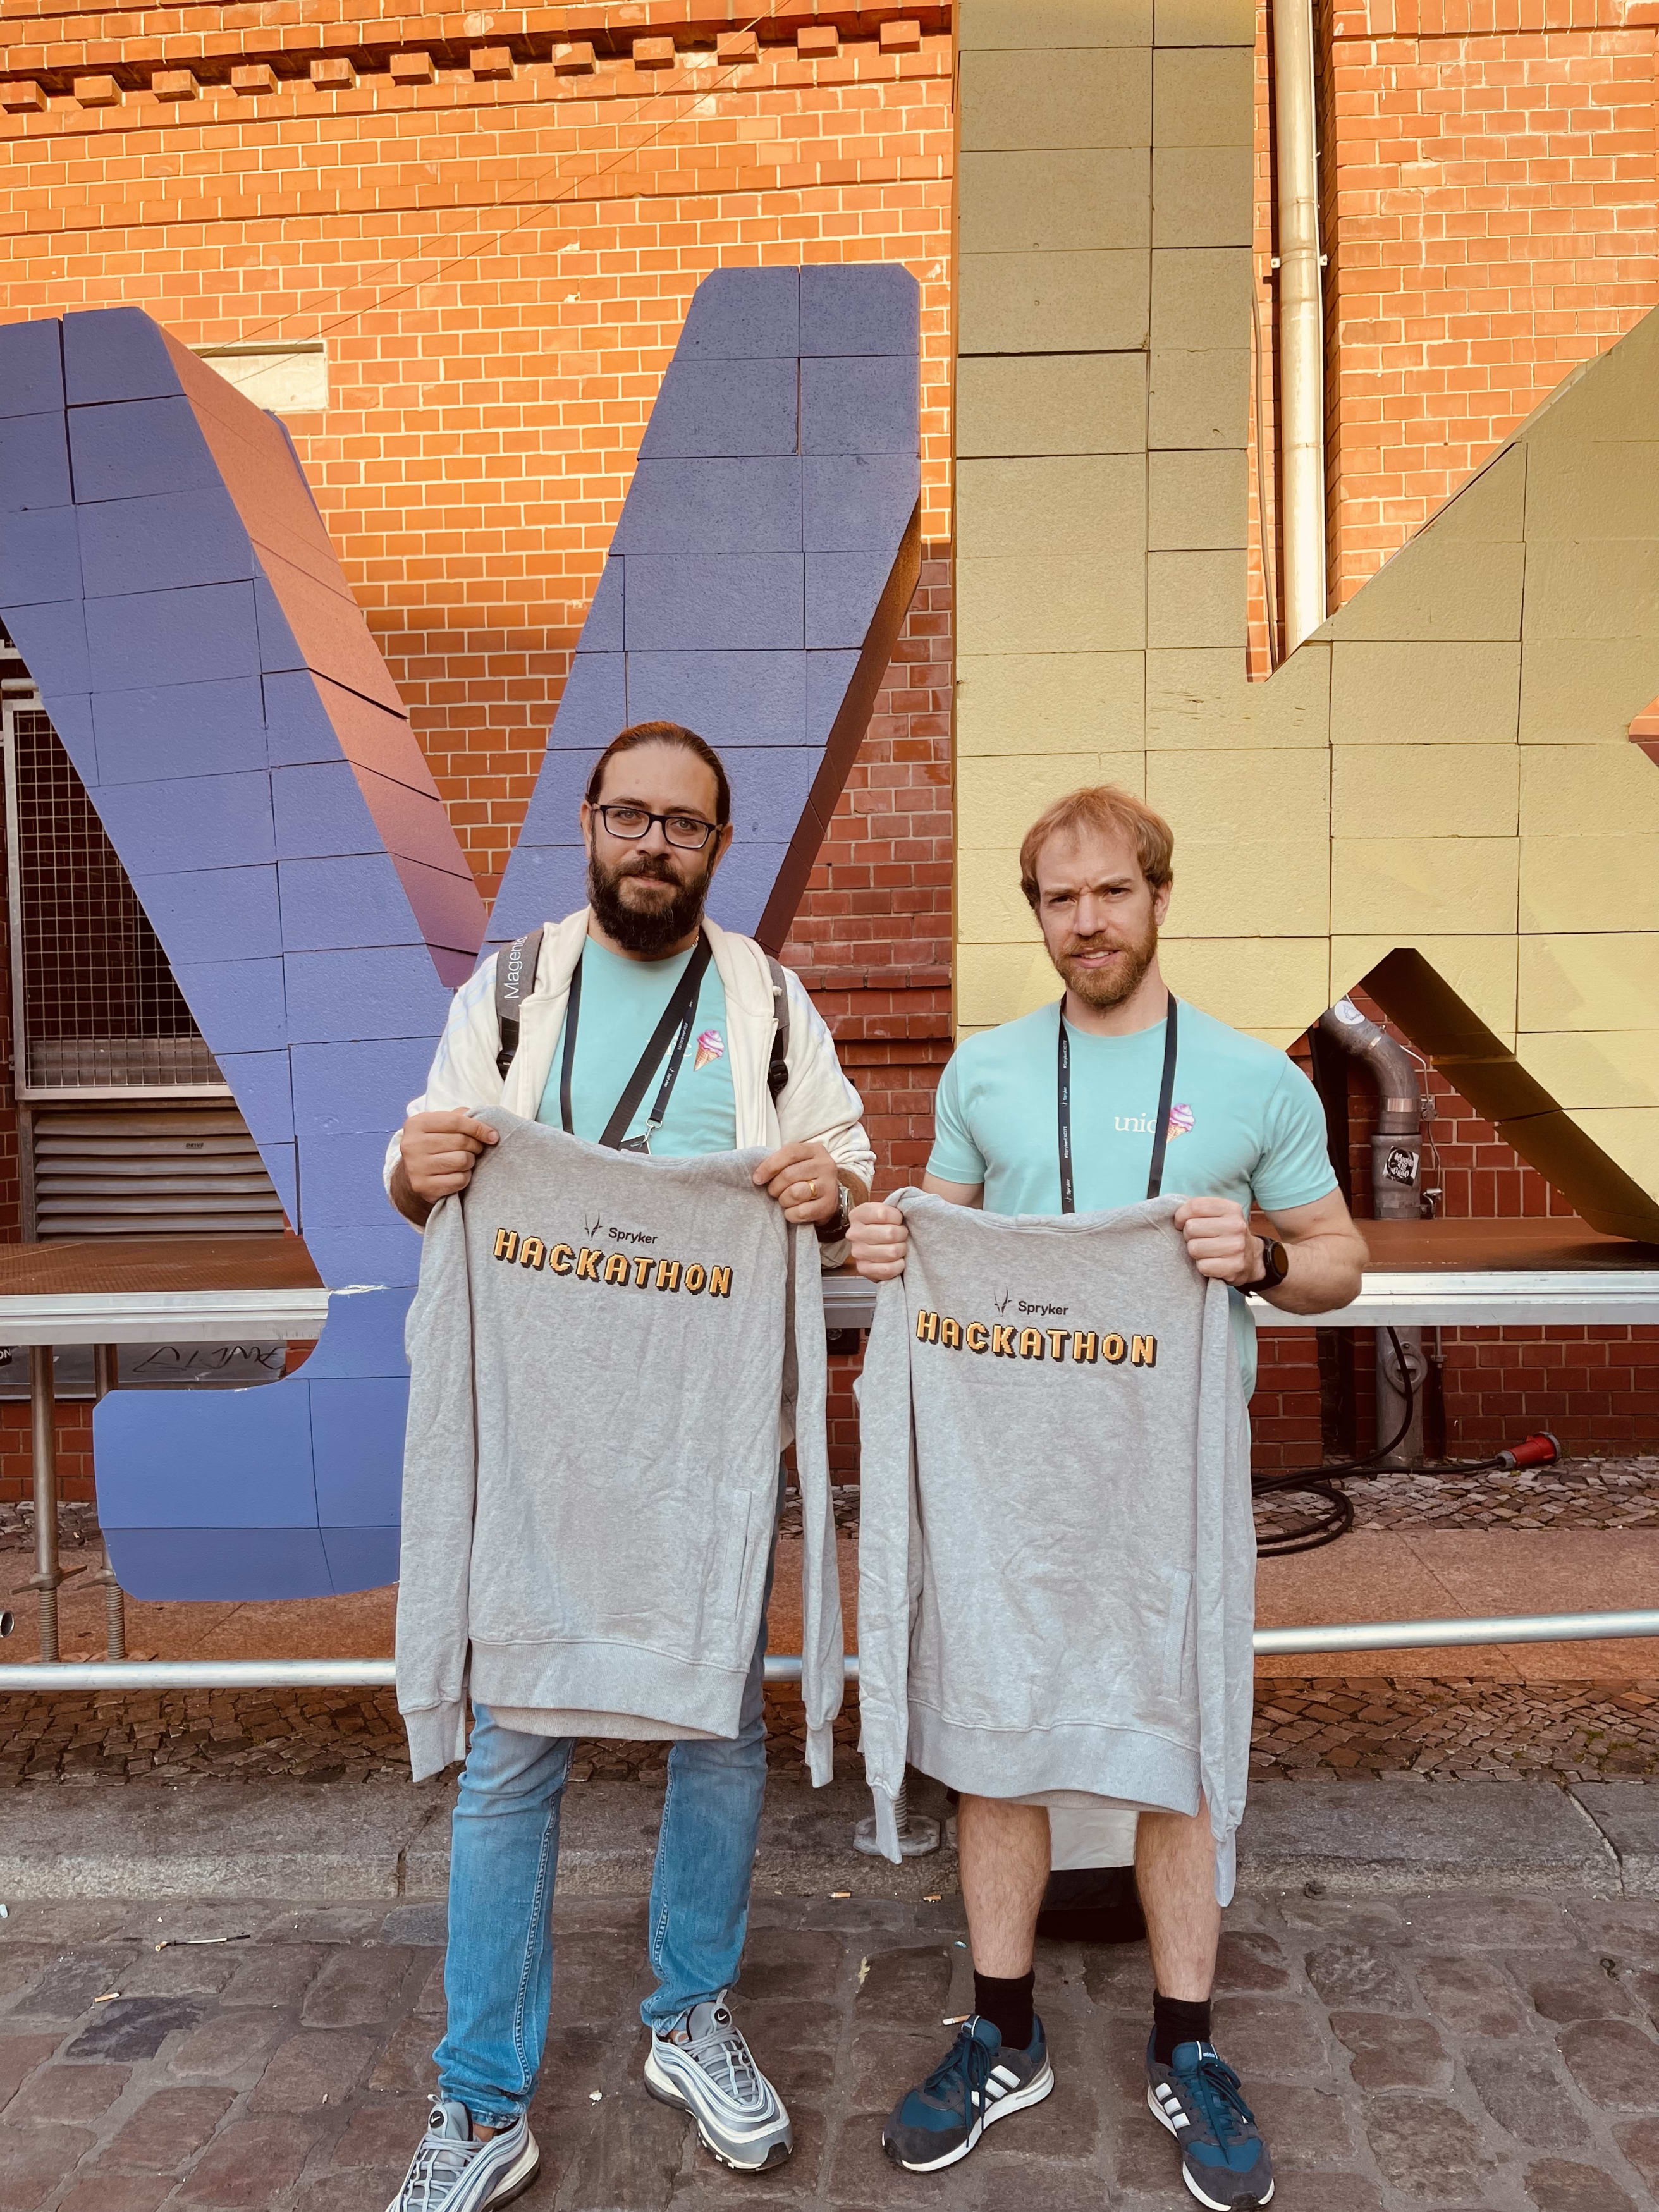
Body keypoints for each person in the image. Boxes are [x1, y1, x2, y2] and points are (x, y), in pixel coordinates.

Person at [848, 784, 1366, 2210]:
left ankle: (1185, 2043)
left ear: (1158, 896)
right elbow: (938, 1226)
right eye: (1059, 898)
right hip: (1007, 1477)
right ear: (1037, 916)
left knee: (1179, 1743)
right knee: (994, 1743)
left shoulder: (1255, 1080)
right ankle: (1002, 2032)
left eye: (1111, 891)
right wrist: (892, 1238)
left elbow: (1337, 1259)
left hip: (1173, 1477)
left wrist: (1262, 1256)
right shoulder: (986, 1072)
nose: (1087, 921)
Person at [385, 719, 874, 2212]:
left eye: (685, 823)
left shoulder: (766, 1002)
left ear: (719, 847)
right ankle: (482, 2099)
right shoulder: (514, 990)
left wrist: (825, 1183)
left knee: (715, 1730)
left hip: (705, 1445)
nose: (654, 842)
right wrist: (416, 1170)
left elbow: (848, 1169)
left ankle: (688, 2014)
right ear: (589, 823)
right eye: (630, 815)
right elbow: (415, 1164)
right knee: (512, 1750)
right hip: (539, 1443)